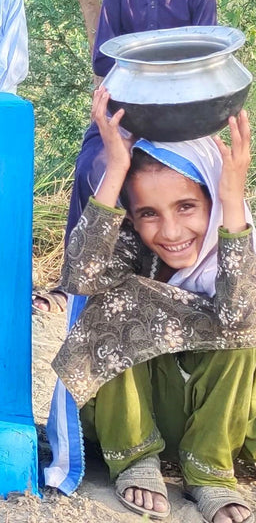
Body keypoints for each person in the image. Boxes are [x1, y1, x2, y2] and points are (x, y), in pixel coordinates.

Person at [47, 87, 254, 523]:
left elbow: (237, 318)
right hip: (142, 414)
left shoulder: (238, 245)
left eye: (187, 207)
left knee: (246, 326)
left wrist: (232, 198)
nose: (171, 230)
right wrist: (117, 165)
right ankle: (135, 456)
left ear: (213, 203)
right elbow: (81, 277)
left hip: (222, 426)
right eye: (148, 213)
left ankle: (210, 474)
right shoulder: (138, 251)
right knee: (115, 297)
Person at [33, 0, 218, 315]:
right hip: (126, 110)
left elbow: (205, 62)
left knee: (196, 179)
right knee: (94, 166)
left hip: (182, 118)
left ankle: (193, 278)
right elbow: (105, 58)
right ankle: (76, 282)